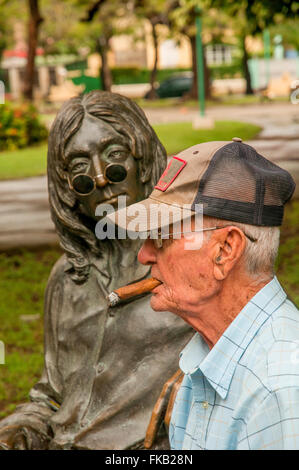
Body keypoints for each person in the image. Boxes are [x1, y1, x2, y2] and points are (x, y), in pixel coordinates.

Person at [0, 91, 192, 450]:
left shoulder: (192, 265)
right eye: (79, 170)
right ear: (68, 190)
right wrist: (18, 430)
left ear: (143, 157)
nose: (101, 178)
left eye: (114, 156)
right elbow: (53, 398)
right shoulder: (67, 279)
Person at [108, 138, 299, 450]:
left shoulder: (280, 389)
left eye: (161, 237)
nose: (144, 255)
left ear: (224, 251)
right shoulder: (205, 357)